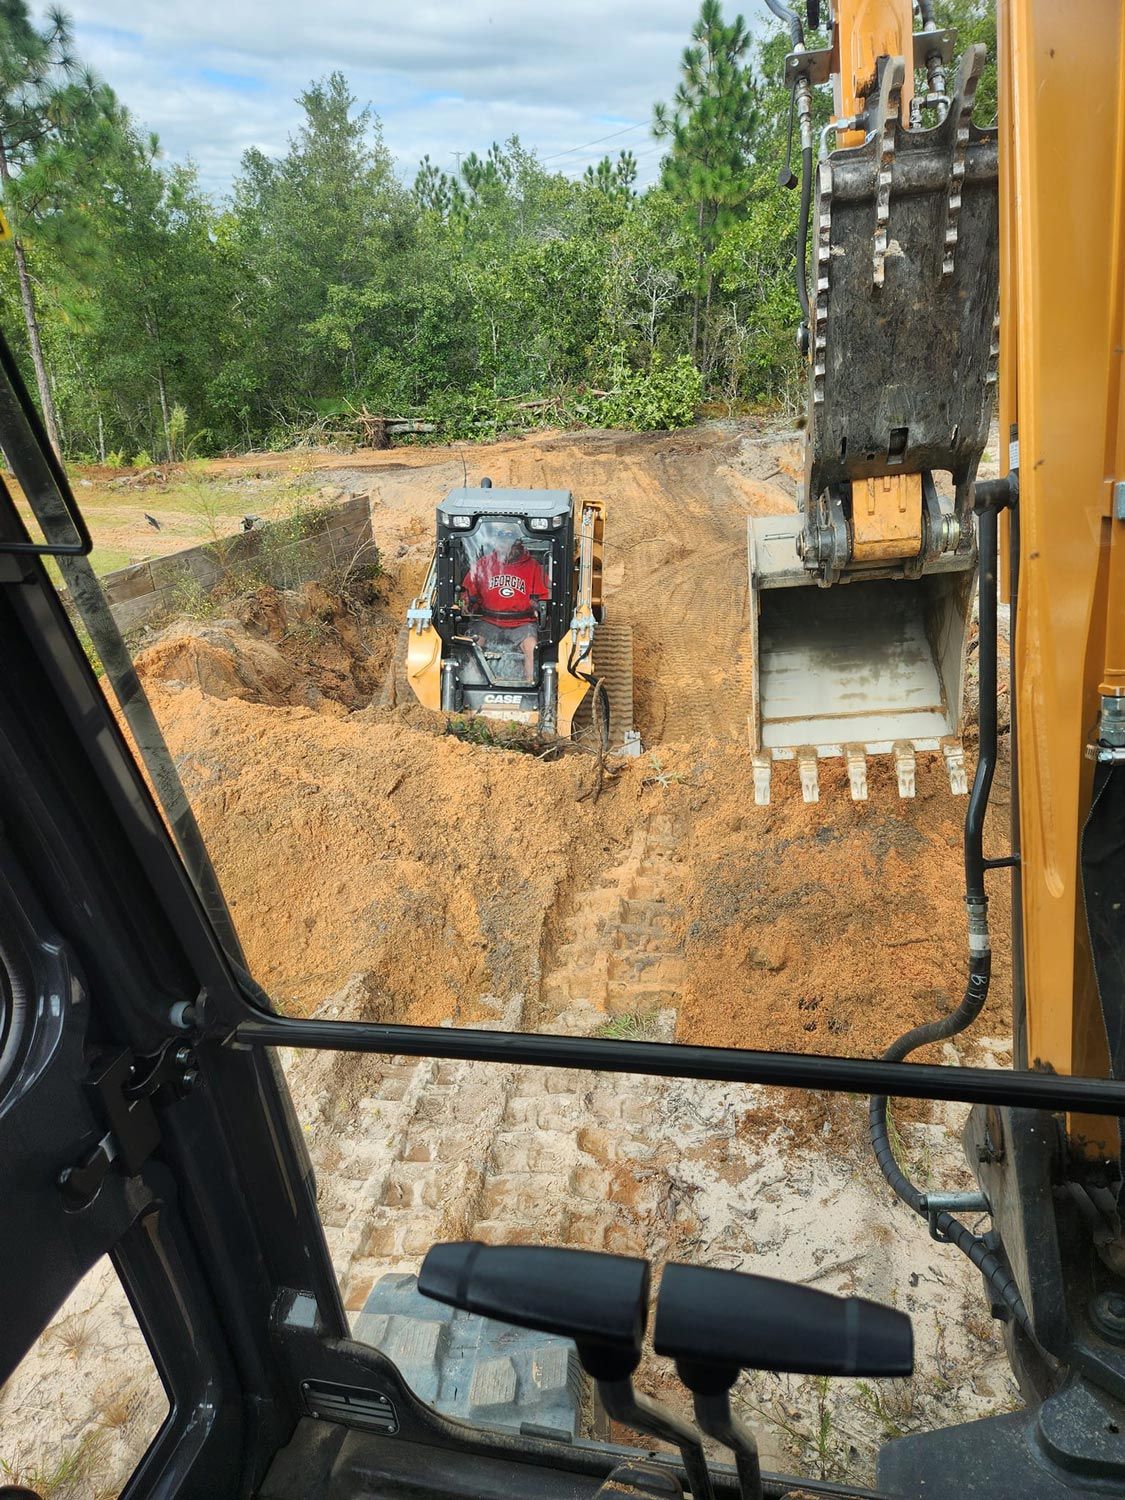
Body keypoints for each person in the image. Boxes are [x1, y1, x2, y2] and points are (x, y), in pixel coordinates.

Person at [460, 520, 550, 684]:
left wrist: (539, 607)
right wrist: (466, 603)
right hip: (489, 622)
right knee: (472, 645)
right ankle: (471, 686)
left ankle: (530, 687)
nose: (504, 545)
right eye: (500, 540)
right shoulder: (483, 564)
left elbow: (544, 597)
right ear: (495, 541)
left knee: (531, 647)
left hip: (522, 624)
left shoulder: (534, 567)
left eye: (509, 540)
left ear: (517, 543)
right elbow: (469, 593)